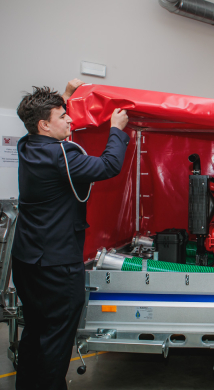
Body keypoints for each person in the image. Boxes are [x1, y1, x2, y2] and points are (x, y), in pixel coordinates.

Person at [11, 80, 130, 390]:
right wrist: (116, 130)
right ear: (44, 125)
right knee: (56, 339)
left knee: (35, 331)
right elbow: (108, 166)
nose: (69, 120)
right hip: (56, 267)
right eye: (63, 116)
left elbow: (45, 121)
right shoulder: (61, 155)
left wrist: (65, 96)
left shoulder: (27, 145)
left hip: (26, 261)